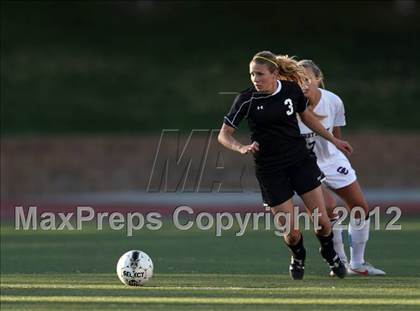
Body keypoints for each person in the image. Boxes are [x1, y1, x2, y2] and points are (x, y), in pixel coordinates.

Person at [218, 51, 352, 280]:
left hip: (299, 161)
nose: (255, 79)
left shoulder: (290, 91)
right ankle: (298, 256)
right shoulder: (246, 99)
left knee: (322, 221)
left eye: (260, 74)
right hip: (270, 170)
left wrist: (333, 139)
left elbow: (308, 117)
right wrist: (240, 147)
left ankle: (330, 254)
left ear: (275, 74)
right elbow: (224, 135)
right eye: (252, 74)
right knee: (291, 233)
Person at [297, 59, 386, 276]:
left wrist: (338, 156)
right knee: (329, 210)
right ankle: (340, 264)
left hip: (331, 160)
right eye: (299, 80)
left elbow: (336, 135)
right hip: (303, 165)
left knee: (360, 207)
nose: (304, 85)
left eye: (308, 79)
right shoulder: (289, 106)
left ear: (319, 79)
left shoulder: (333, 101)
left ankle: (357, 264)